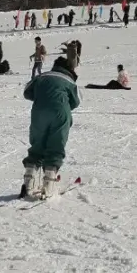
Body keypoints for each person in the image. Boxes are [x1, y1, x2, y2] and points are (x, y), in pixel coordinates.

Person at [21, 57, 81, 199]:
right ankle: (49, 183)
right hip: (61, 113)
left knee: (37, 144)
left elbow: (27, 92)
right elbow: (77, 101)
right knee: (56, 144)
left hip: (39, 112)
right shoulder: (69, 81)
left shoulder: (41, 76)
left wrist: (43, 97)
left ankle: (29, 180)